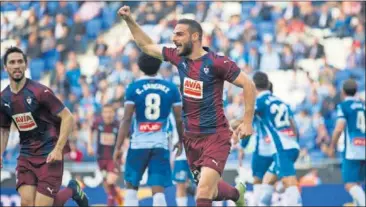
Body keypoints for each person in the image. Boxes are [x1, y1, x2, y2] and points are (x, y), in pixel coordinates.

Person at [117, 5, 256, 207]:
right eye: (174, 34)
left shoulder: (217, 62)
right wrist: (129, 20)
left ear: (195, 37)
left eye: (180, 34)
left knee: (202, 194)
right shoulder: (177, 57)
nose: (175, 38)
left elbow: (248, 84)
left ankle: (233, 195)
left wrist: (247, 121)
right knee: (211, 191)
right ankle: (236, 194)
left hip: (215, 136)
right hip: (191, 139)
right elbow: (147, 46)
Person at [0, 46, 88, 207]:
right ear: (6, 67)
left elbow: (68, 117)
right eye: (12, 62)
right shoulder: (4, 98)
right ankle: (72, 190)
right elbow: (4, 129)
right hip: (26, 154)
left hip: (50, 152)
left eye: (20, 61)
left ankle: (71, 190)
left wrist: (58, 149)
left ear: (26, 66)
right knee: (27, 203)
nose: (16, 65)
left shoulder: (40, 91)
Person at [113, 53, 184, 206]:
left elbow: (126, 119)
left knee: (131, 188)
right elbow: (179, 119)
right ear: (159, 66)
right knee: (158, 191)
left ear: (139, 66)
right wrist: (181, 140)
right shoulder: (171, 88)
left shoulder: (133, 88)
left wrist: (118, 147)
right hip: (160, 144)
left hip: (138, 144)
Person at [252, 72, 302, 206]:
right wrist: (296, 144)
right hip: (292, 145)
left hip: (282, 148)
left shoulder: (260, 102)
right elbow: (294, 125)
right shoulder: (282, 102)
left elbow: (247, 118)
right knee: (268, 180)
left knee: (289, 181)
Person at [328, 79, 365, 207]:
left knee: (350, 184)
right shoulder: (363, 106)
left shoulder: (343, 106)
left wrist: (332, 145)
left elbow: (339, 128)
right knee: (357, 183)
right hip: (364, 146)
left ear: (343, 92)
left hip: (352, 150)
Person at [87, 104, 123, 206]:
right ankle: (118, 196)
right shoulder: (98, 122)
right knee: (107, 186)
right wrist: (89, 145)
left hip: (114, 158)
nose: (108, 115)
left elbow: (127, 137)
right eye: (105, 112)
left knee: (110, 180)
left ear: (113, 113)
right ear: (102, 113)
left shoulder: (118, 124)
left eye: (110, 112)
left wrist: (124, 152)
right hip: (101, 158)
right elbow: (90, 129)